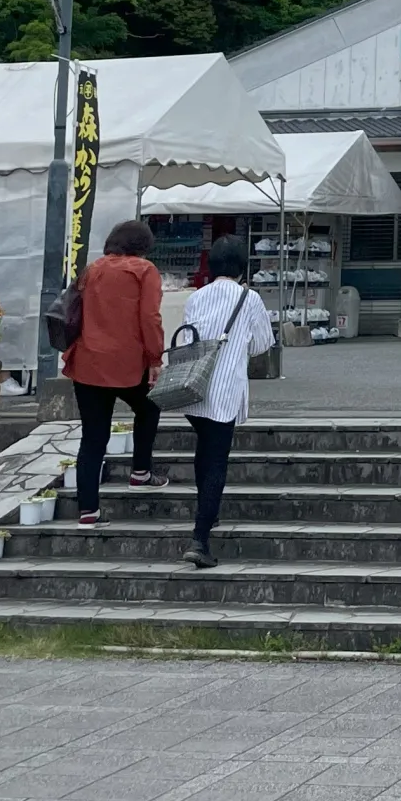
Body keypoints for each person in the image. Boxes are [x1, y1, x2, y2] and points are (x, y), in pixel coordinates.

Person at [180, 232, 276, 568]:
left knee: (203, 451)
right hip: (224, 388)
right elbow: (263, 343)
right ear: (242, 266)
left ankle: (208, 512)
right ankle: (200, 539)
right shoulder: (249, 298)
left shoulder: (197, 296)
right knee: (217, 461)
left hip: (194, 385)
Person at [66, 218, 166, 527]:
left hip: (87, 361)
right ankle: (140, 471)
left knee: (93, 438)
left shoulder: (92, 269)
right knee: (148, 408)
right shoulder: (143, 270)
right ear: (143, 245)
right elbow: (150, 317)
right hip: (127, 361)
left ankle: (88, 510)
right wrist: (155, 358)